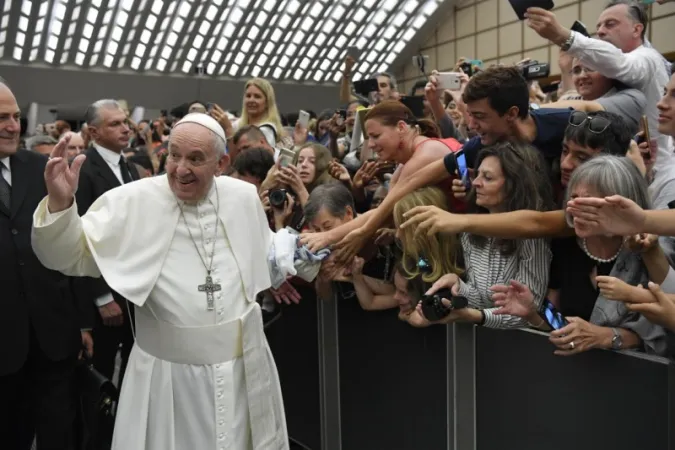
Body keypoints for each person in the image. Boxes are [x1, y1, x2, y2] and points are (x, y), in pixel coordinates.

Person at [31, 114, 317, 449]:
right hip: (167, 378)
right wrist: (60, 203)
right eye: (173, 155)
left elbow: (261, 250)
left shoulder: (242, 197)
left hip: (242, 371)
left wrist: (297, 255)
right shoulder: (134, 201)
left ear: (222, 163)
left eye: (196, 159)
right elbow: (70, 255)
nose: (181, 169)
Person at [0, 79, 87, 449]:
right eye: (1, 117)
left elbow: (71, 245)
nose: (12, 126)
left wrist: (84, 321)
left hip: (53, 336)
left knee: (59, 433)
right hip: (3, 343)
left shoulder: (44, 168)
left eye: (16, 116)